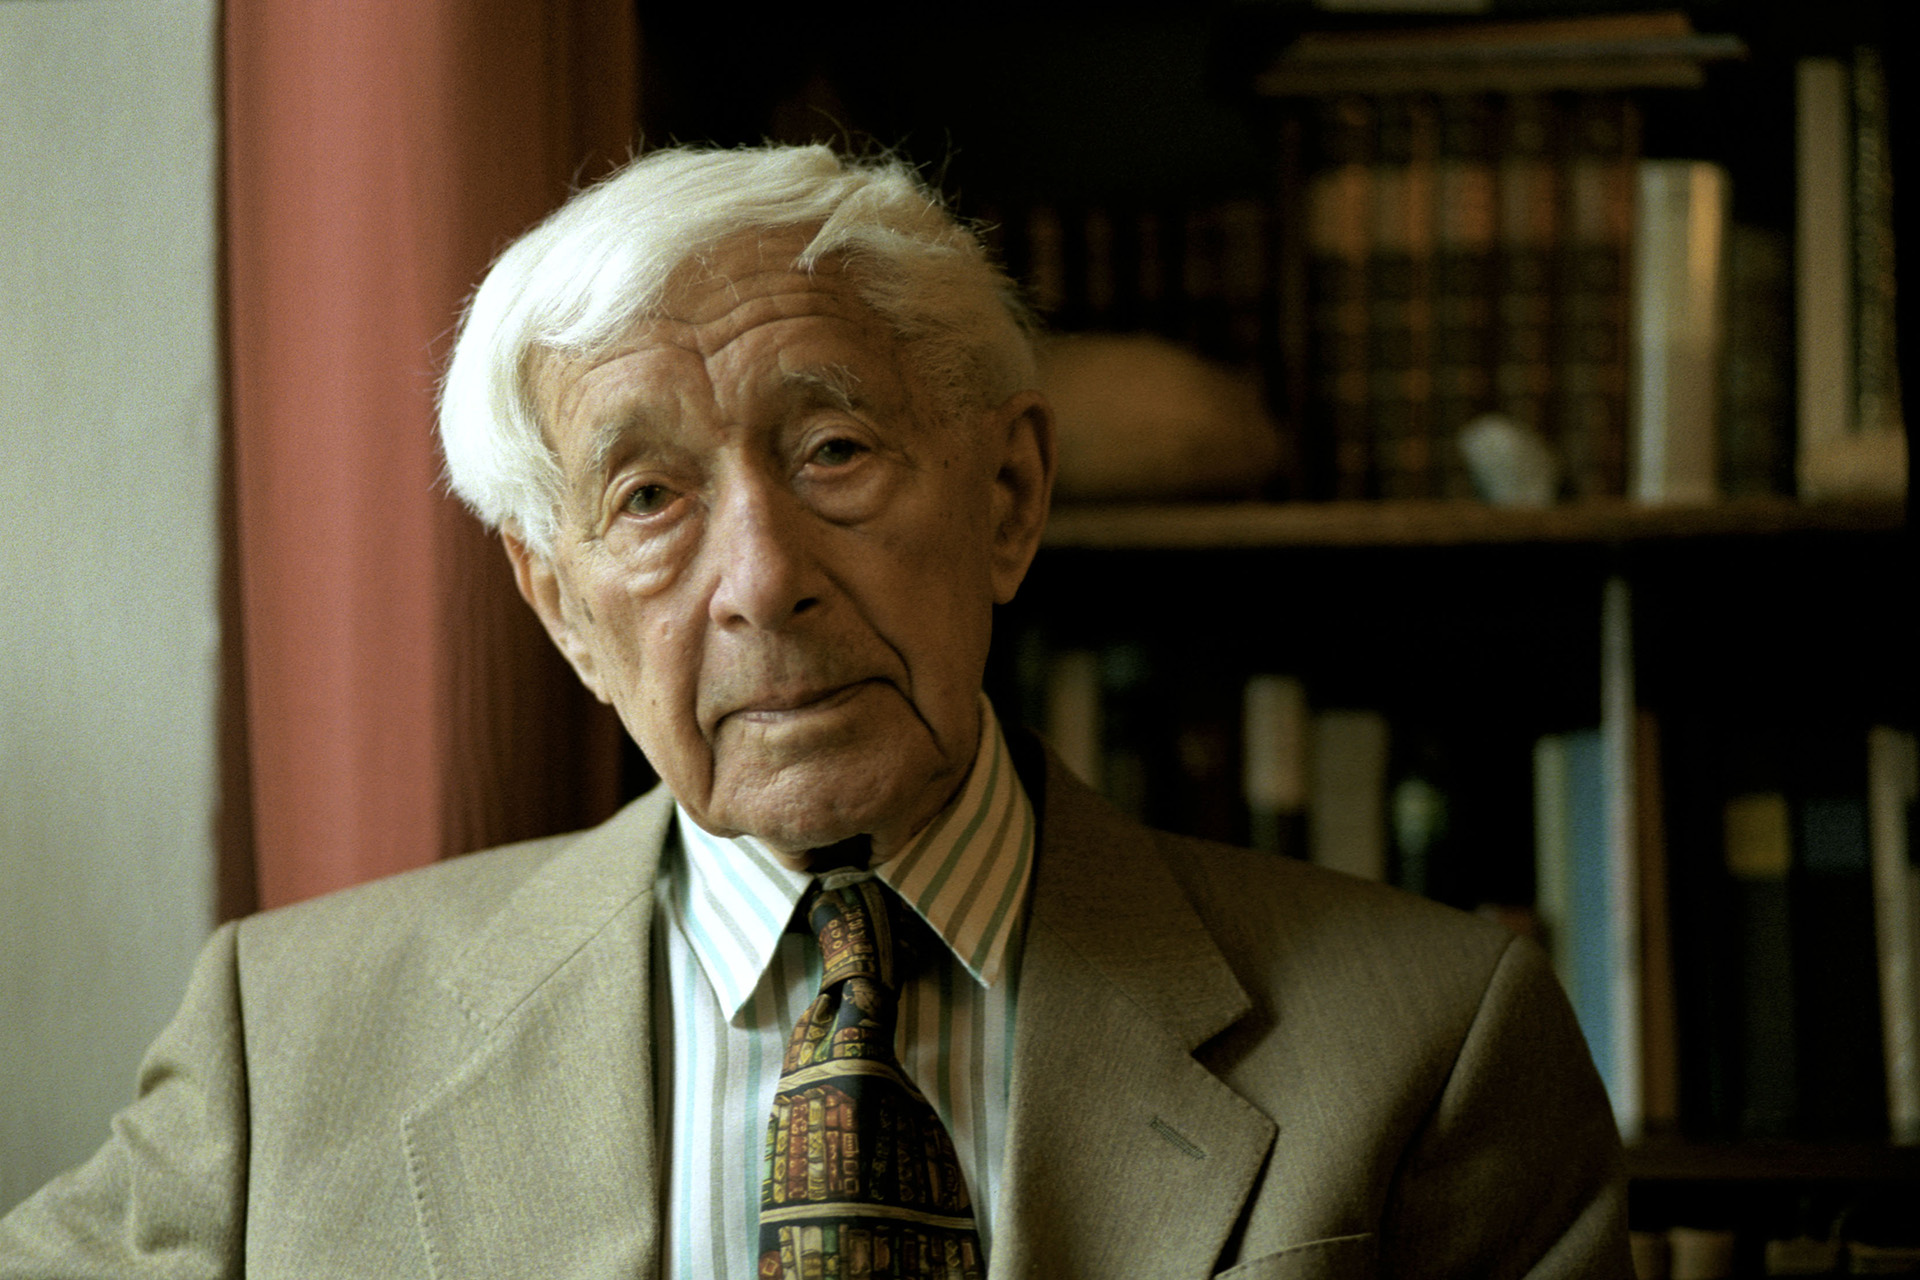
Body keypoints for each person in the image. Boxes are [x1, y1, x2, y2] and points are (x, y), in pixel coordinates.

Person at [1, 145, 1629, 1278]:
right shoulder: (289, 1044)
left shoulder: (1431, 1041)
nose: (761, 580)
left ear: (1008, 496)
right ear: (561, 609)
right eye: (648, 498)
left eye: (834, 451)